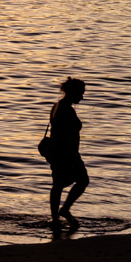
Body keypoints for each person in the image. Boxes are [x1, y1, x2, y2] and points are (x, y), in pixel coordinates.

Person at [47, 77, 89, 225]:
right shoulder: (66, 110)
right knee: (81, 180)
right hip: (66, 153)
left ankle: (56, 217)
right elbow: (66, 135)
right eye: (80, 93)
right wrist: (72, 157)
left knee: (58, 184)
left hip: (57, 152)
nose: (82, 97)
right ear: (73, 92)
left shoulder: (57, 105)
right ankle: (61, 213)